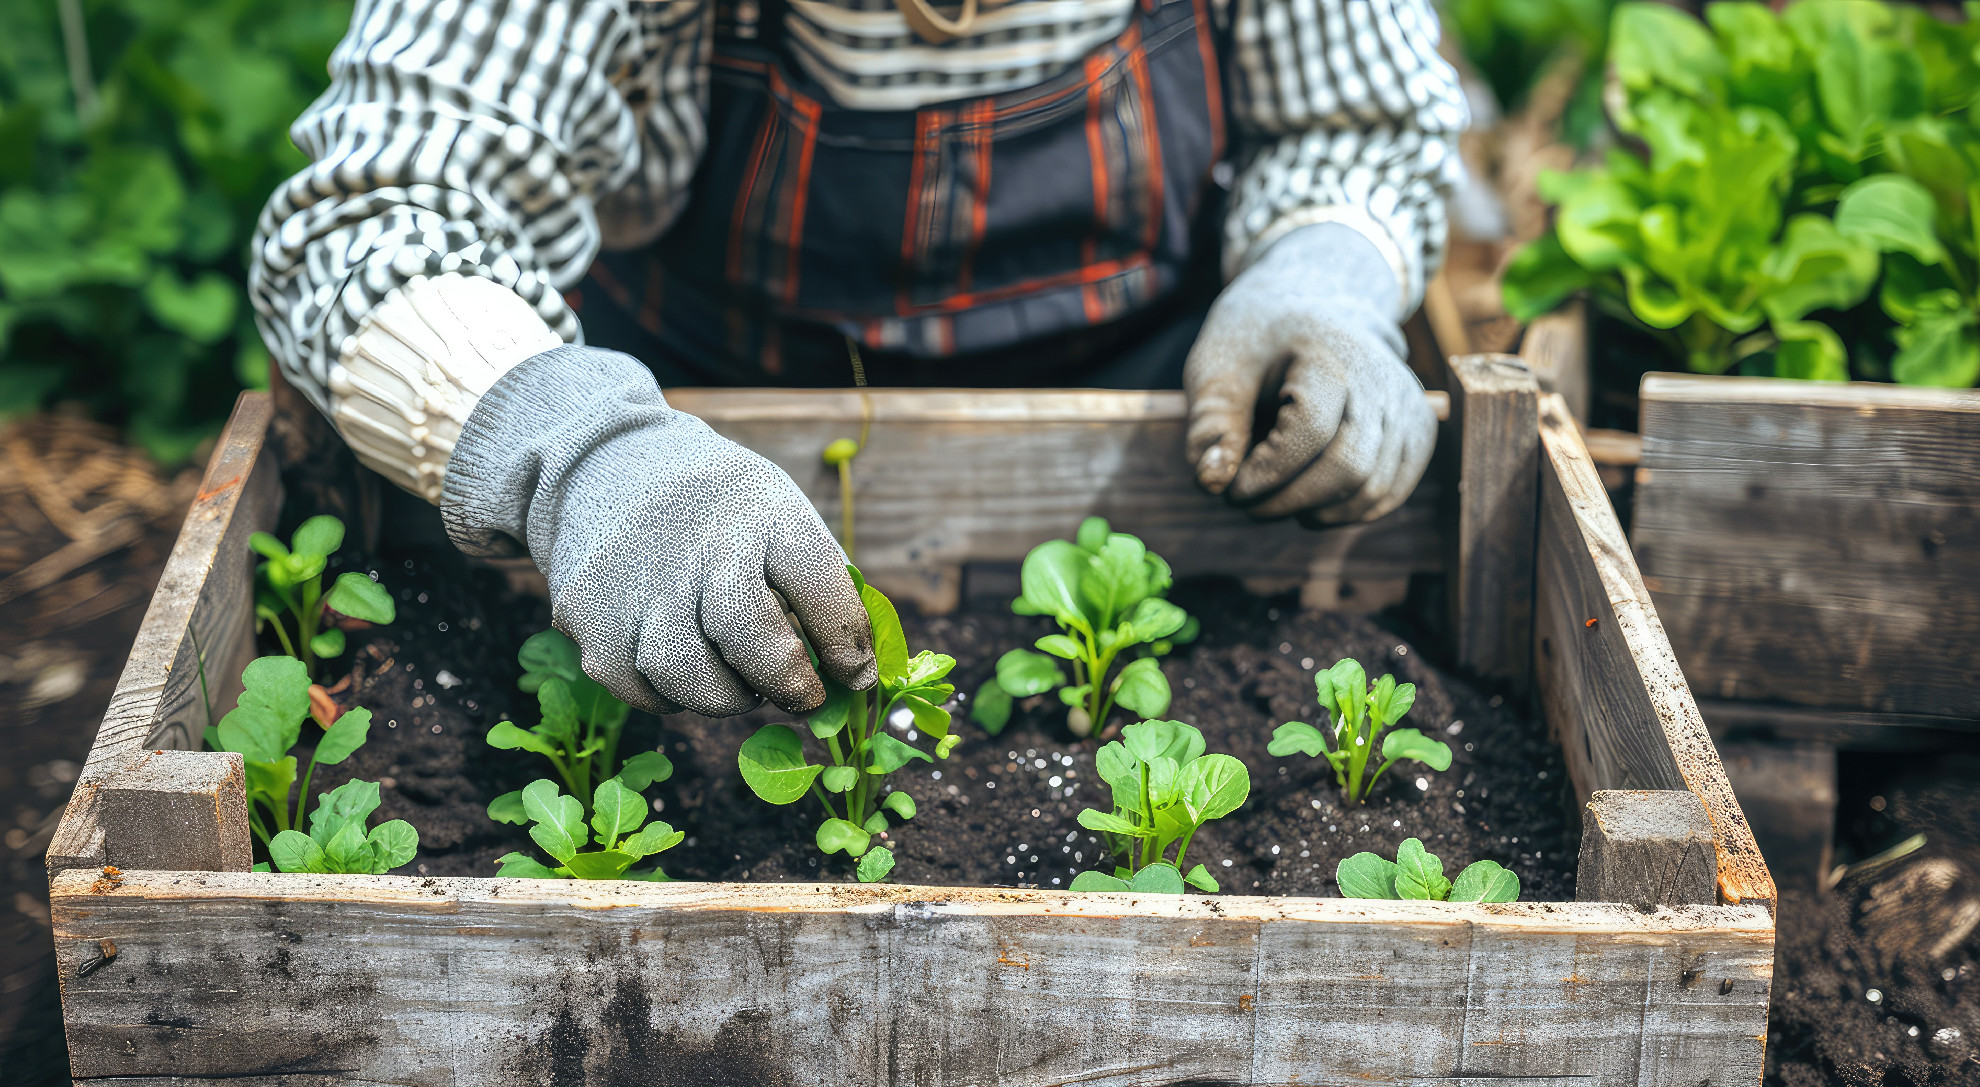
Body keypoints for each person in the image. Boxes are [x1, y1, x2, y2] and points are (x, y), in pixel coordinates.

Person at [250, 0, 1466, 720]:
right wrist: (581, 449)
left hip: (1156, 420)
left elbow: (1352, 121)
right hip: (690, 414)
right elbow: (370, 217)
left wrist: (1324, 270)